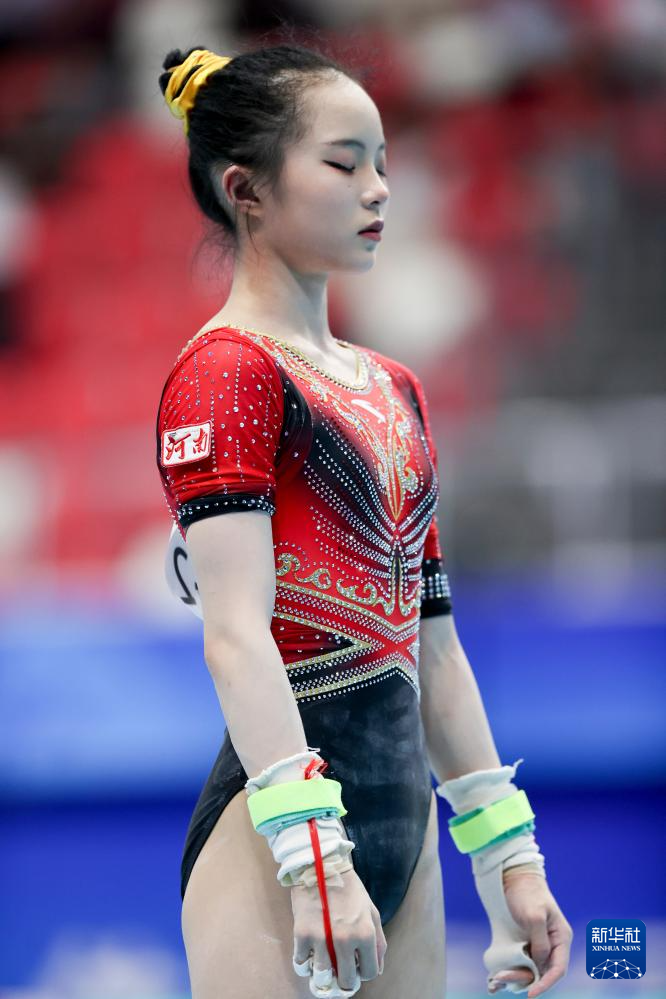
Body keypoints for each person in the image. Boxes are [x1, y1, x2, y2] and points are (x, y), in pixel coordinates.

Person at [155, 42, 573, 999]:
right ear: (245, 190)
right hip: (277, 832)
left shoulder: (395, 388)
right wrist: (314, 855)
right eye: (344, 164)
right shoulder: (227, 373)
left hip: (404, 832)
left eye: (383, 162)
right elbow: (235, 635)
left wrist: (507, 853)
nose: (379, 188)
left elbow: (434, 646)